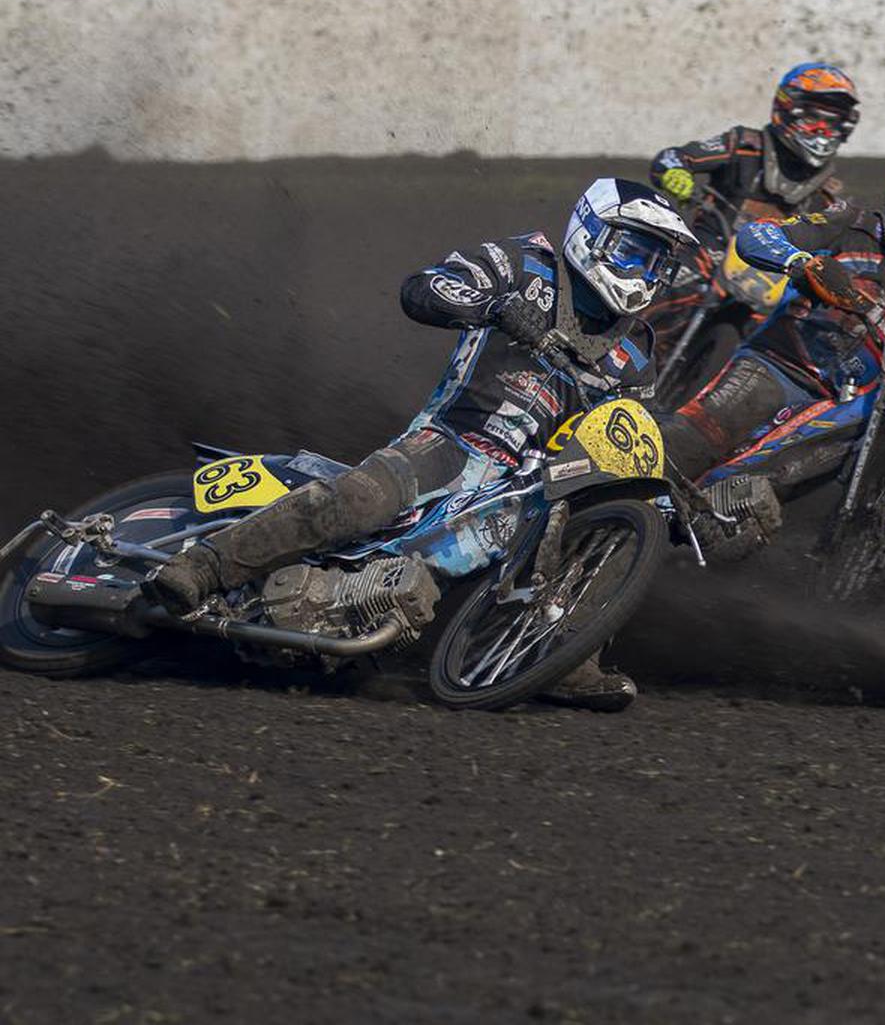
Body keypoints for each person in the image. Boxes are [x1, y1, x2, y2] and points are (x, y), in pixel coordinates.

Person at [149, 179, 701, 711]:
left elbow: (633, 432)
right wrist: (494, 307)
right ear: (590, 230)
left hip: (538, 481)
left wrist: (675, 503)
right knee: (362, 498)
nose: (643, 273)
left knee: (609, 525)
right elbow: (426, 286)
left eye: (657, 263)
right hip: (456, 440)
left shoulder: (636, 352)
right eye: (633, 252)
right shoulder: (523, 262)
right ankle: (203, 566)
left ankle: (565, 658)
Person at [657, 157, 885, 480]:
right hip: (781, 367)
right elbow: (758, 235)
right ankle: (615, 486)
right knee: (691, 444)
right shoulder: (855, 224)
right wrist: (799, 263)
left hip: (850, 411)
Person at [651, 63, 859, 226]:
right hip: (708, 260)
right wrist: (675, 173)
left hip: (774, 275)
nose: (822, 130)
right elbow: (672, 157)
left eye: (832, 122)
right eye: (814, 118)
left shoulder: (830, 195)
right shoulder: (744, 145)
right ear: (788, 109)